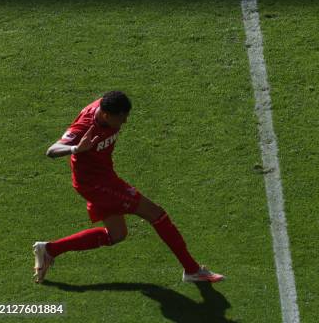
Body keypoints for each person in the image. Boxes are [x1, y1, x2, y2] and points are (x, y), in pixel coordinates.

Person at [34, 91, 224, 284]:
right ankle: (192, 270)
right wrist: (76, 148)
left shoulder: (107, 106)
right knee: (156, 214)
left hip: (103, 177)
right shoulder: (85, 126)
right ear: (107, 115)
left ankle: (49, 250)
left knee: (117, 235)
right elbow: (52, 150)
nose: (124, 122)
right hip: (96, 184)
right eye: (121, 118)